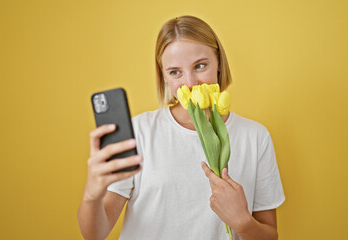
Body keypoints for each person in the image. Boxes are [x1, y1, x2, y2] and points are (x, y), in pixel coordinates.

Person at [77, 15, 285, 240]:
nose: (190, 83)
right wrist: (91, 194)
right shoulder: (140, 132)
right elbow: (94, 235)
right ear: (164, 77)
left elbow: (269, 236)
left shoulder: (255, 137)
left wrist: (243, 222)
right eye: (175, 72)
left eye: (200, 65)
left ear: (219, 64)